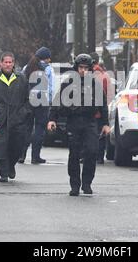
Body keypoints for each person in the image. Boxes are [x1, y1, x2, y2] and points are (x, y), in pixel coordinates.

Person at [47, 54, 110, 196]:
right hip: (74, 121)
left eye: (86, 68)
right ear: (76, 68)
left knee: (92, 151)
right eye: (81, 67)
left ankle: (87, 183)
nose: (83, 70)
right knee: (74, 154)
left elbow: (103, 105)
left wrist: (105, 124)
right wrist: (52, 119)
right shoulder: (68, 83)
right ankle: (75, 185)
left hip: (90, 122)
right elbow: (57, 102)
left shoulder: (95, 84)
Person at [0, 52, 31, 182]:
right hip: (0, 118)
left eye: (10, 62)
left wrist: (24, 112)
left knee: (17, 145)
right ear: (0, 63)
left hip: (17, 118)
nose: (7, 64)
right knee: (0, 146)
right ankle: (4, 172)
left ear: (13, 63)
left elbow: (28, 98)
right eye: (5, 62)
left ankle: (11, 165)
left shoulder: (21, 78)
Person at [20, 47, 53, 164]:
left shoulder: (26, 67)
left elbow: (22, 84)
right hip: (42, 101)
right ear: (47, 58)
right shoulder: (48, 69)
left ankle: (21, 155)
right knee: (39, 128)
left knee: (27, 128)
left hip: (29, 100)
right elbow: (50, 88)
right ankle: (35, 156)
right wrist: (50, 102)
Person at [89, 52, 111, 165]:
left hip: (93, 109)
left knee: (92, 134)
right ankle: (100, 157)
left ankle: (93, 156)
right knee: (101, 134)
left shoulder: (93, 75)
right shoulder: (104, 74)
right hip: (102, 109)